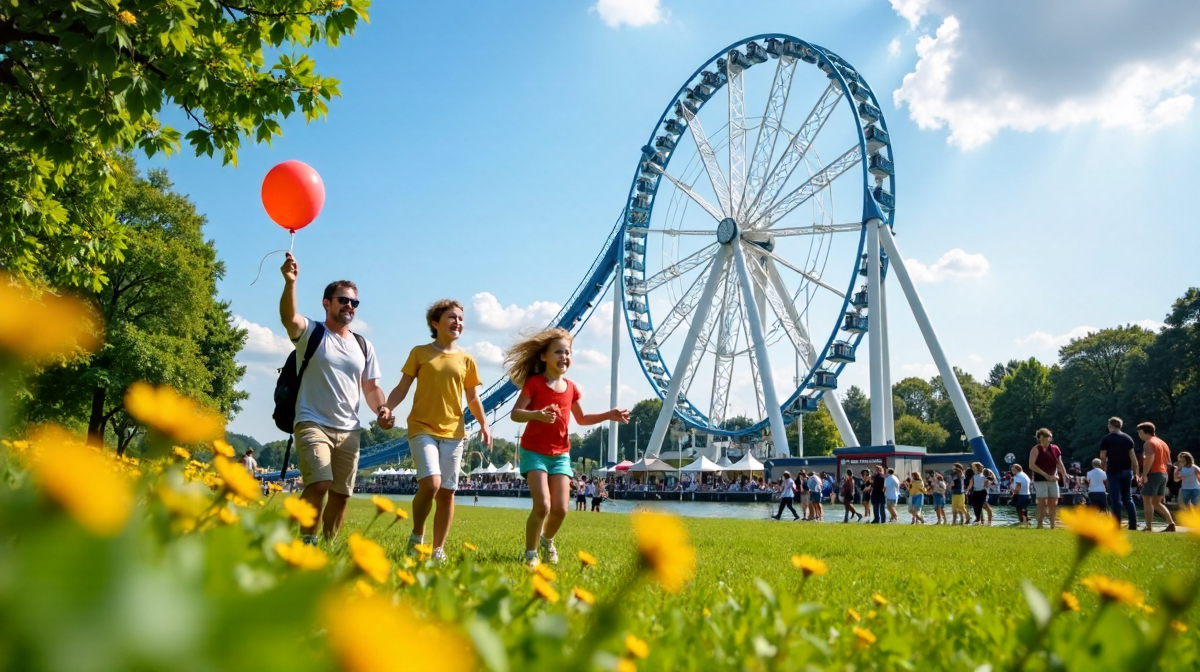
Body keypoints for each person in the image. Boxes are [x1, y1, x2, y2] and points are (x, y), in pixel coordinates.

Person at [278, 253, 386, 544]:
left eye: (354, 302)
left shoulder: (363, 345)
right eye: (343, 300)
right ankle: (305, 541)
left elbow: (371, 387)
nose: (350, 306)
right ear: (327, 303)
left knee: (341, 494)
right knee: (320, 483)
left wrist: (382, 409)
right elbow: (288, 318)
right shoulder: (311, 332)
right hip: (312, 422)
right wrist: (290, 283)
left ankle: (328, 547)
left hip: (350, 430)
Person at [381, 299, 493, 564]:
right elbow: (402, 388)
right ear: (435, 323)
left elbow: (473, 398)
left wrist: (484, 424)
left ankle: (438, 549)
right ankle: (417, 536)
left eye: (461, 319)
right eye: (452, 317)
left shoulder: (467, 359)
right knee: (431, 483)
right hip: (422, 427)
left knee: (446, 492)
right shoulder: (420, 353)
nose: (458, 322)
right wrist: (387, 407)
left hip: (454, 432)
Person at [506, 327, 629, 566]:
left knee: (561, 509)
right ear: (544, 356)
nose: (564, 356)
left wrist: (609, 414)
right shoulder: (535, 383)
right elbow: (516, 414)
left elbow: (581, 419)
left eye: (567, 352)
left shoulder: (571, 387)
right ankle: (530, 553)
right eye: (558, 352)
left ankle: (546, 540)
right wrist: (537, 415)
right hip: (534, 452)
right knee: (542, 505)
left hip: (560, 454)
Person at [1098, 417, 1139, 531]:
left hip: (1113, 471)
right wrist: (1136, 472)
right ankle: (1133, 525)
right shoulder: (1128, 438)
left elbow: (1102, 457)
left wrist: (1103, 469)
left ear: (1110, 425)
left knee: (1115, 499)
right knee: (1128, 499)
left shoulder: (1106, 439)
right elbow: (1133, 459)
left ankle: (1116, 525)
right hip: (1127, 471)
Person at [1137, 422, 1176, 532]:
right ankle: (1171, 524)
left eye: (1139, 432)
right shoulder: (1162, 443)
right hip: (1163, 474)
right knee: (1156, 503)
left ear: (1144, 431)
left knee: (1146, 500)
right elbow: (1169, 461)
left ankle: (1148, 527)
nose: (1139, 434)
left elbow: (1150, 459)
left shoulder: (1149, 443)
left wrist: (1144, 474)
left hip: (1154, 473)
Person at [1028, 428, 1068, 529]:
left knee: (1053, 501)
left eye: (1050, 436)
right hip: (1040, 479)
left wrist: (1064, 474)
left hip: (1053, 479)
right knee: (1041, 501)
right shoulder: (1036, 449)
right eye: (1047, 436)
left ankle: (1052, 525)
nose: (1050, 438)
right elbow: (1031, 465)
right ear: (1041, 437)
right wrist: (1045, 475)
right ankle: (1040, 524)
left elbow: (1059, 463)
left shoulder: (1055, 448)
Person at [967, 462, 992, 526]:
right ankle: (978, 520)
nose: (973, 468)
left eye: (974, 467)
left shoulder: (983, 476)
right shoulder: (973, 477)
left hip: (982, 492)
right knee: (976, 507)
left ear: (977, 468)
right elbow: (970, 486)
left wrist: (987, 481)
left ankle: (989, 522)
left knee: (985, 507)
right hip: (975, 492)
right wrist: (967, 491)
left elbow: (989, 482)